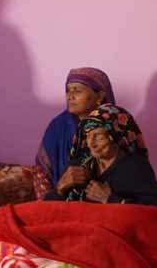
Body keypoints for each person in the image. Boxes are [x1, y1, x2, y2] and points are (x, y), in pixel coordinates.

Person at [55, 104, 157, 210]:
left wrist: (110, 199)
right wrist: (60, 187)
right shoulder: (79, 165)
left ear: (117, 137)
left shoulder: (134, 167)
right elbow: (47, 209)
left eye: (98, 136)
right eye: (88, 136)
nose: (91, 144)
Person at [34, 67, 115, 199]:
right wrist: (61, 186)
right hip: (61, 205)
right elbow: (41, 175)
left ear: (99, 96)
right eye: (68, 90)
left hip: (106, 207)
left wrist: (110, 198)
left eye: (77, 90)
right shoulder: (58, 127)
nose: (70, 96)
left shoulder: (117, 127)